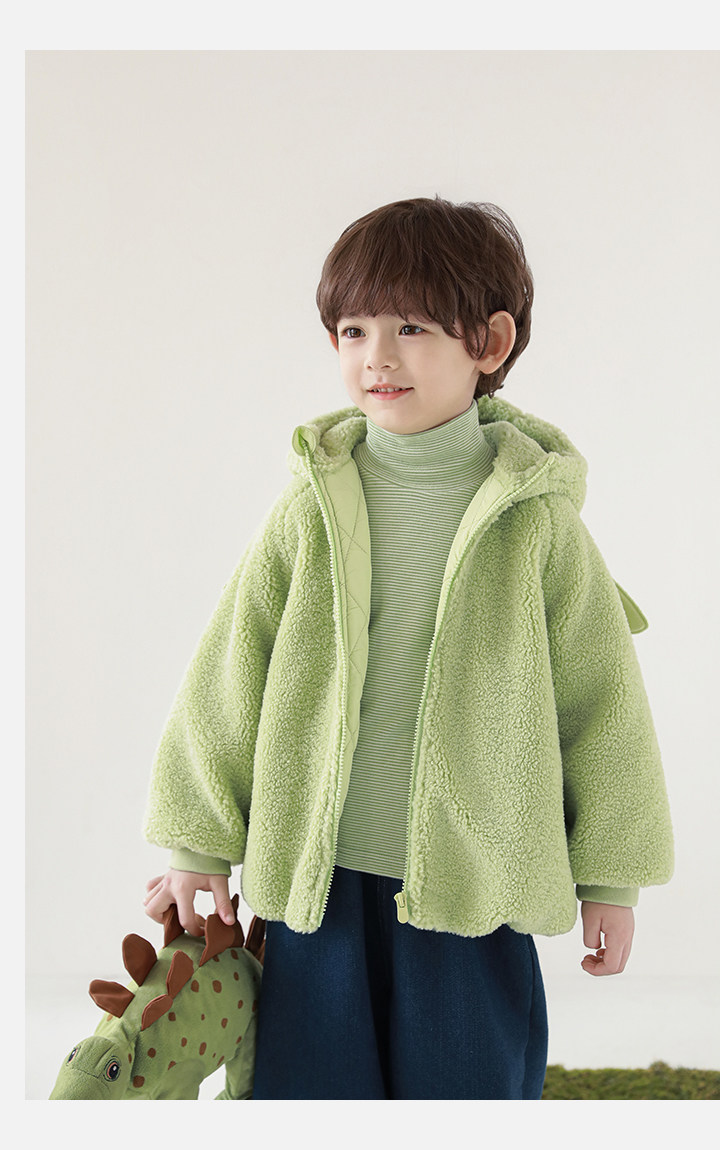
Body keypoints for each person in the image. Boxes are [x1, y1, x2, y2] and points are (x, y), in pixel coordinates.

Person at [141, 195, 674, 1099]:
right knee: (310, 1092)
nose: (376, 357)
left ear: (490, 343)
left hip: (476, 883)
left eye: (412, 328)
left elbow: (602, 705)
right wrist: (197, 841)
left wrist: (612, 880)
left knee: (468, 1089)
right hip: (319, 879)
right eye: (353, 330)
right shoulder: (312, 507)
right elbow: (233, 671)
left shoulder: (537, 523)